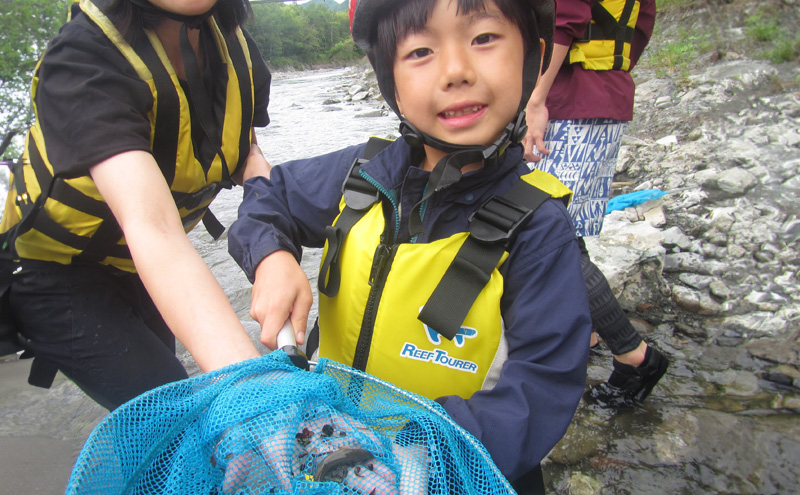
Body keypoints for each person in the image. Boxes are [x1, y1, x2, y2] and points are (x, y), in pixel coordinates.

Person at [229, 0, 591, 492]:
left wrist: (418, 457)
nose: (457, 71)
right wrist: (271, 256)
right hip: (330, 458)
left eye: (484, 38)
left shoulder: (538, 228)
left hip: (454, 471)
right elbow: (268, 195)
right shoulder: (361, 175)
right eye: (421, 51)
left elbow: (544, 387)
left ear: (535, 55)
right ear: (388, 79)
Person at [0, 0, 271, 411]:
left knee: (168, 406)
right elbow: (154, 227)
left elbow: (245, 153)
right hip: (56, 272)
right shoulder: (85, 58)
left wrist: (271, 251)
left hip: (137, 268)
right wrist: (259, 392)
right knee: (173, 416)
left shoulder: (234, 49)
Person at [522, 0, 668, 407]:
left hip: (568, 105)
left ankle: (635, 356)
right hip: (603, 100)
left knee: (546, 232)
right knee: (565, 227)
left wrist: (535, 100)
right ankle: (585, 331)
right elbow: (641, 28)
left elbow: (564, 23)